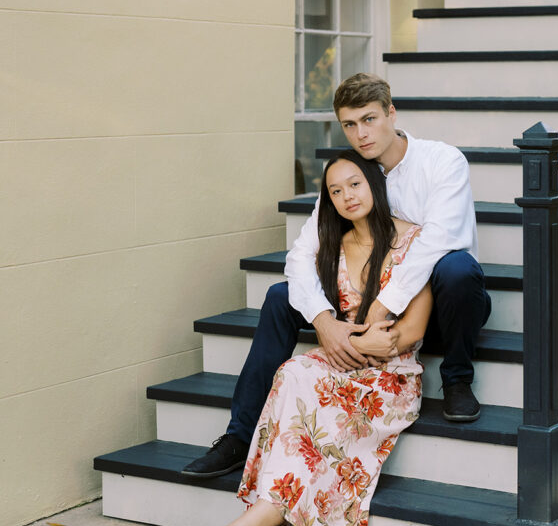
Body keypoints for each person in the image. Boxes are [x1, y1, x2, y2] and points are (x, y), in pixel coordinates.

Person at [182, 72, 490, 481]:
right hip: (360, 307)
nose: (360, 134)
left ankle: (457, 378)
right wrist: (325, 322)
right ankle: (239, 436)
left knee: (456, 268)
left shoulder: (442, 161)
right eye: (349, 124)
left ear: (391, 114)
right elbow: (301, 255)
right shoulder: (350, 175)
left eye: (369, 119)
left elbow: (436, 243)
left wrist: (380, 308)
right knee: (280, 295)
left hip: (437, 307)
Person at [168, 150, 432, 526]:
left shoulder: (414, 241)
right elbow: (311, 299)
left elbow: (411, 331)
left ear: (374, 184)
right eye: (335, 190)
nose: (347, 196)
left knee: (315, 400)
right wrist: (349, 341)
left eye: (355, 184)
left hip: (389, 376)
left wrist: (365, 344)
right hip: (343, 360)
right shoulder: (331, 245)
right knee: (293, 371)